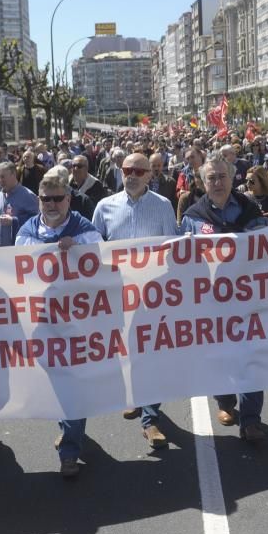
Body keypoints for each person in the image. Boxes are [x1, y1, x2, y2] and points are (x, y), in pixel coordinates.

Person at [14, 173, 103, 477]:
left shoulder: (83, 226)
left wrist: (76, 246)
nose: (51, 204)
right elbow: (18, 262)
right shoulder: (27, 229)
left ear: (68, 199)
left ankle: (69, 452)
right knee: (56, 383)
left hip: (78, 322)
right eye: (45, 198)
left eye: (57, 198)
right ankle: (69, 428)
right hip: (42, 322)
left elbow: (101, 254)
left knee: (73, 384)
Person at [181, 153, 268, 443]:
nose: (217, 182)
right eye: (211, 178)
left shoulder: (250, 210)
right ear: (203, 182)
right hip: (210, 301)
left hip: (247, 298)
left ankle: (252, 419)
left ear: (233, 179)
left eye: (222, 176)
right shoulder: (193, 217)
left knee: (250, 357)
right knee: (218, 356)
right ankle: (225, 401)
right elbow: (182, 260)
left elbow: (267, 251)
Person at [92, 153, 179, 448]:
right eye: (127, 169)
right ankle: (132, 395)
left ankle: (151, 420)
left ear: (149, 176)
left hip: (152, 296)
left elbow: (172, 250)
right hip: (117, 294)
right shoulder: (104, 207)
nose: (131, 175)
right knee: (124, 350)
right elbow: (93, 249)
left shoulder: (163, 206)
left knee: (151, 353)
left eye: (138, 171)